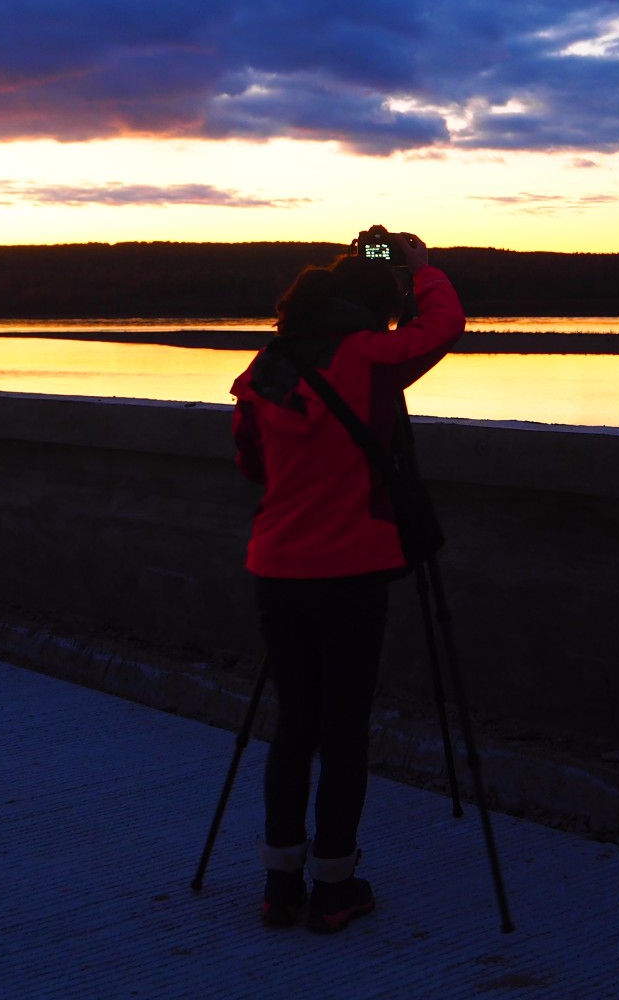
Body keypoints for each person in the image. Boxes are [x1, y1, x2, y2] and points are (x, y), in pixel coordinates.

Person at [227, 231, 464, 933]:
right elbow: (441, 327)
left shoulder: (264, 369)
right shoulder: (366, 358)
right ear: (367, 307)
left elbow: (251, 464)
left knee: (294, 725)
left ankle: (280, 884)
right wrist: (419, 268)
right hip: (351, 569)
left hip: (277, 567)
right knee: (345, 731)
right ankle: (334, 887)